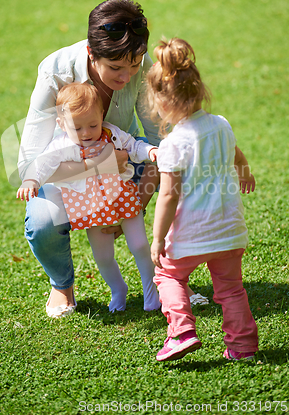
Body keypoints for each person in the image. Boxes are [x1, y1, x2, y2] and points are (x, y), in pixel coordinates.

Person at [147, 38, 258, 362]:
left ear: (162, 103)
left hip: (191, 233)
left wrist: (156, 239)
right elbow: (237, 154)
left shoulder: (173, 144)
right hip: (228, 229)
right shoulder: (221, 124)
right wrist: (245, 172)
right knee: (231, 289)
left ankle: (181, 332)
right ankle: (243, 347)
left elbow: (168, 194)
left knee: (168, 276)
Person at [17, 83, 161, 313]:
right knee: (103, 256)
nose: (86, 133)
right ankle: (117, 289)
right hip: (90, 207)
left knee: (140, 245)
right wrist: (31, 181)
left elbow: (133, 146)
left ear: (101, 116)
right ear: (61, 124)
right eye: (77, 128)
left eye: (93, 124)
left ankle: (151, 292)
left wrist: (149, 151)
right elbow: (42, 165)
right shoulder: (62, 146)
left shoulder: (111, 133)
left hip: (124, 197)